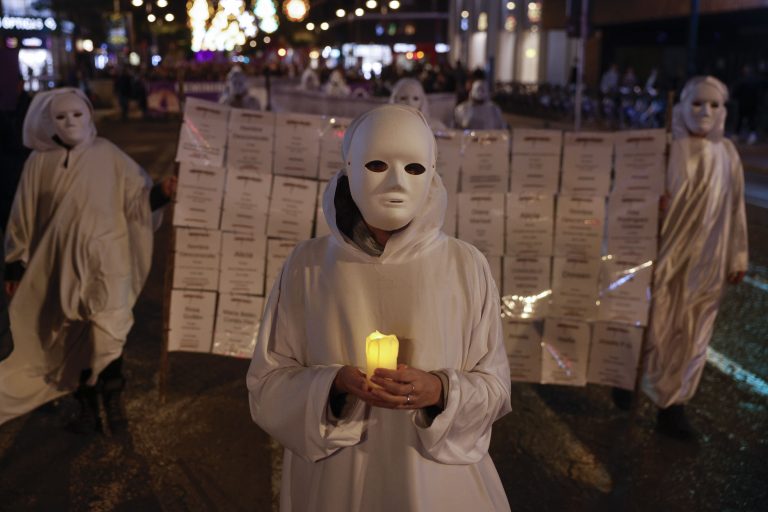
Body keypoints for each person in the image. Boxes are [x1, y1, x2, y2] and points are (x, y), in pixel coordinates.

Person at [247, 104, 511, 511]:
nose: (395, 183)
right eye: (376, 164)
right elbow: (267, 384)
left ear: (433, 172)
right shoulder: (307, 266)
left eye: (413, 168)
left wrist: (441, 390)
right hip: (336, 483)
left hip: (436, 486)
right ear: (349, 167)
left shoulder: (465, 266)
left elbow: (494, 387)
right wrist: (332, 387)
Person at [0, 88, 176, 433]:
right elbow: (22, 216)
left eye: (77, 115)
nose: (70, 123)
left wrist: (161, 193)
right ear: (50, 121)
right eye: (62, 117)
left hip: (107, 264)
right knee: (68, 335)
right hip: (58, 267)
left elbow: (135, 202)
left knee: (108, 330)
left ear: (89, 115)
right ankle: (86, 406)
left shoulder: (109, 156)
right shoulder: (40, 163)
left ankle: (113, 401)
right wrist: (14, 264)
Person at [639, 76, 748, 440]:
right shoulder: (666, 150)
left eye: (714, 105)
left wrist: (738, 256)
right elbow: (635, 199)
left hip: (708, 266)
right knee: (656, 329)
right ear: (682, 106)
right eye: (698, 103)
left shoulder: (727, 155)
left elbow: (735, 209)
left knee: (694, 335)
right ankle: (629, 379)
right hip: (666, 261)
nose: (705, 111)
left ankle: (673, 406)